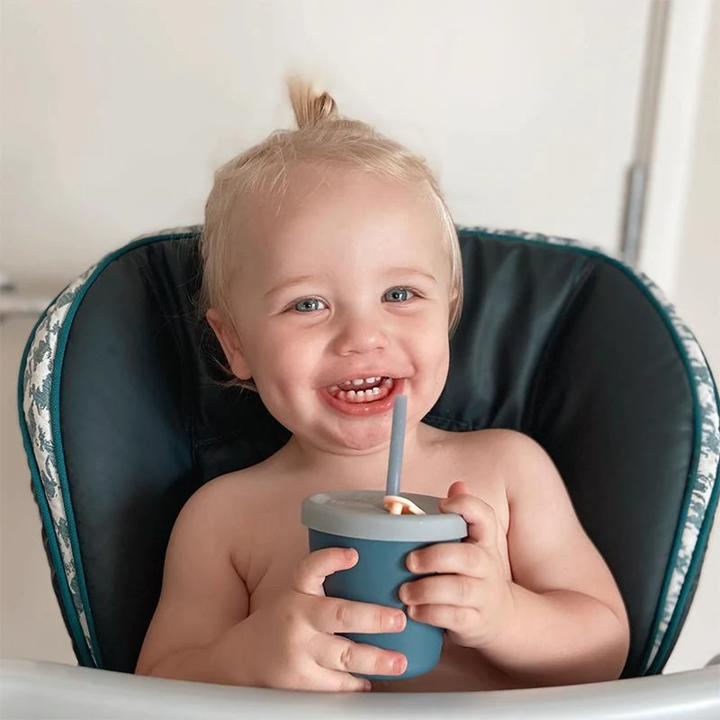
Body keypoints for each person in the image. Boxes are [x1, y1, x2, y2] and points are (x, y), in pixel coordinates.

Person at [135, 80, 629, 693]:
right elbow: (157, 684)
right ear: (235, 343)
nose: (362, 337)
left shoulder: (509, 474)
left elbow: (606, 651)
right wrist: (247, 657)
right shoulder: (222, 520)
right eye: (307, 303)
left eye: (400, 294)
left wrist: (507, 618)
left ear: (448, 311)